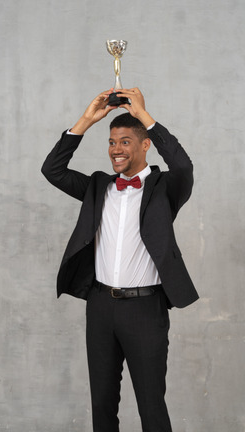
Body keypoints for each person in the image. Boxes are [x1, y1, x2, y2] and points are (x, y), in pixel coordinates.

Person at [41, 87, 199, 432]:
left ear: (145, 145)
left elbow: (183, 164)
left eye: (125, 141)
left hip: (145, 308)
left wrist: (143, 114)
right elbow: (52, 170)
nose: (116, 149)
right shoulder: (98, 186)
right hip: (99, 306)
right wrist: (86, 120)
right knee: (102, 404)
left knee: (151, 405)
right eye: (112, 142)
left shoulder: (165, 188)